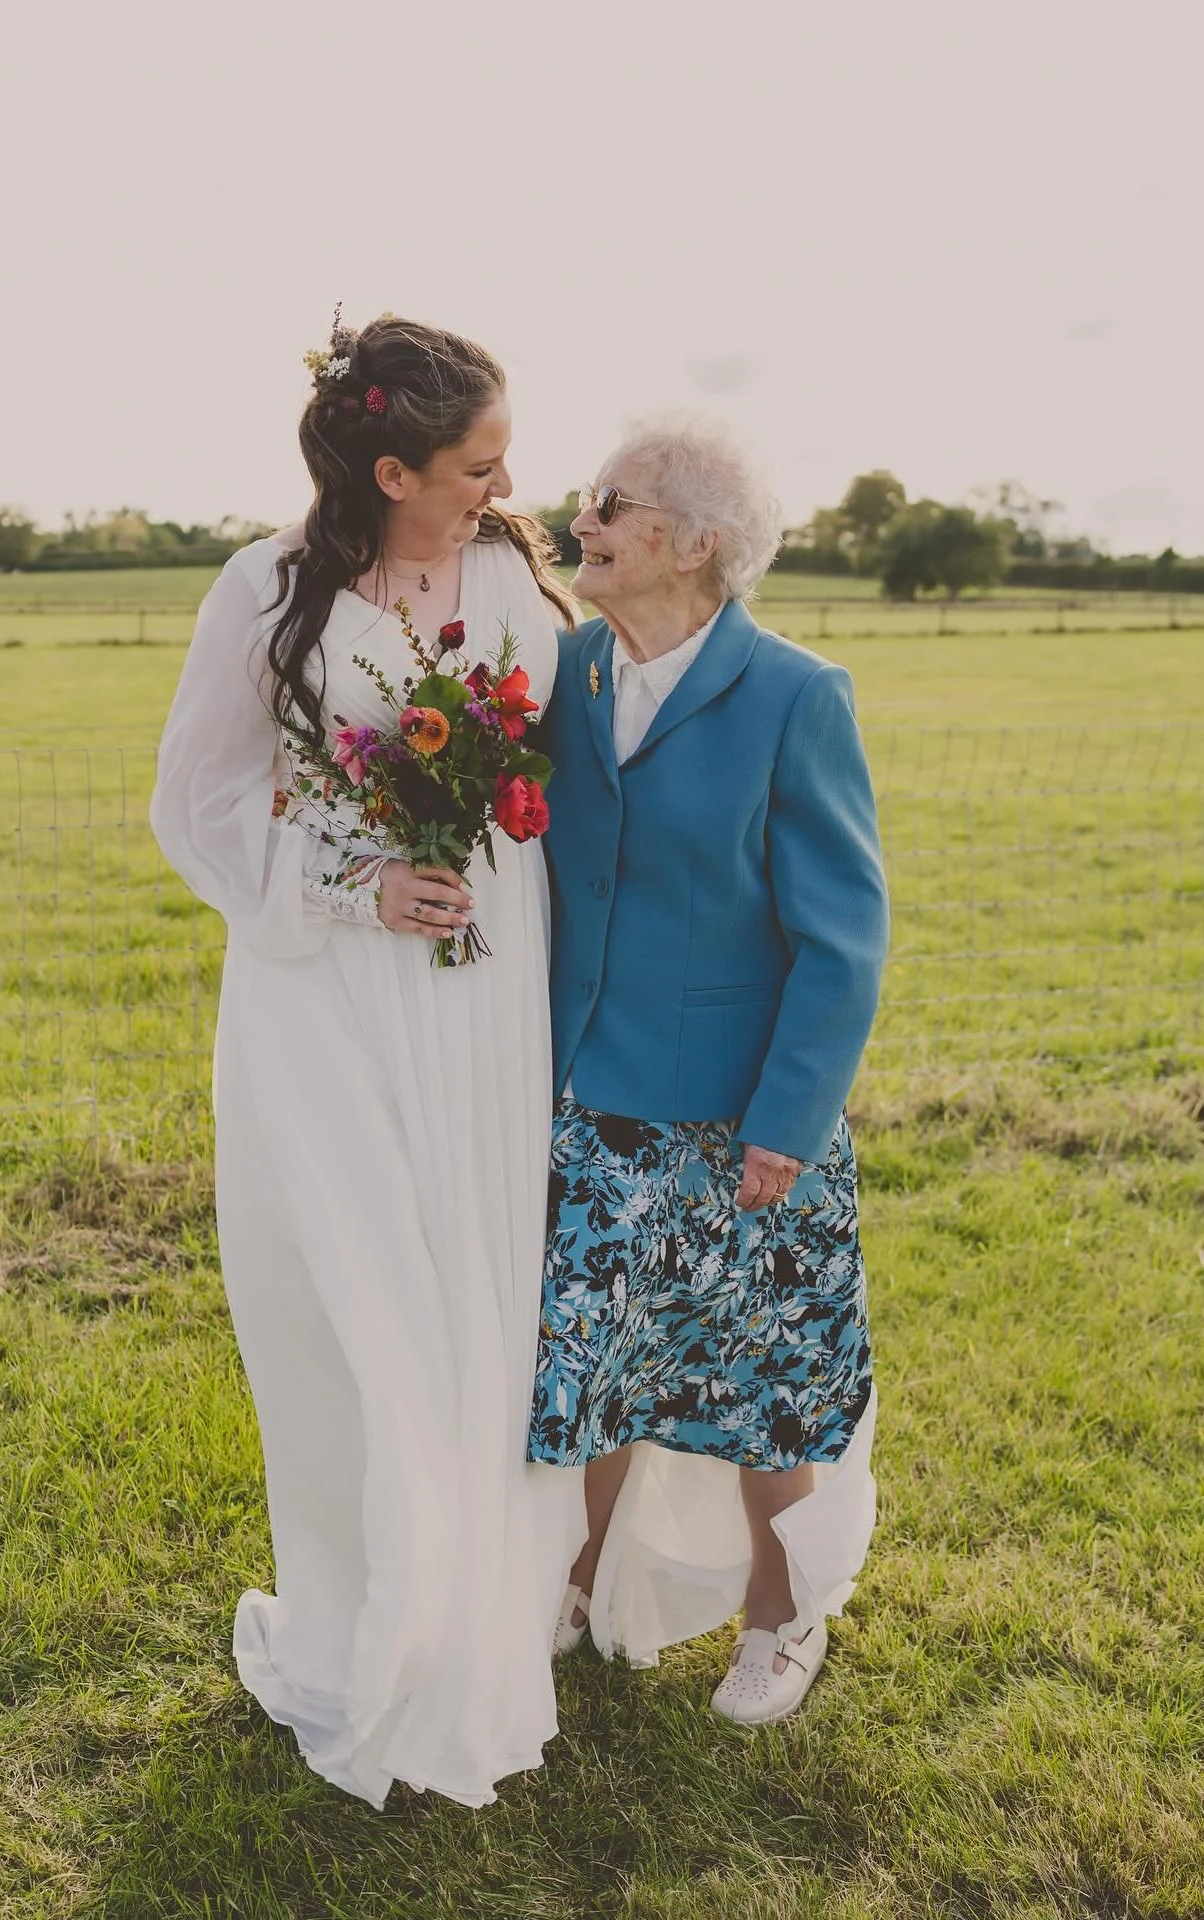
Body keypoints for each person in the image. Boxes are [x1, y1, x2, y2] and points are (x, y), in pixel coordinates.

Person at [150, 314, 583, 1807]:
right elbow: (196, 804)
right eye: (474, 462)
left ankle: (483, 1612)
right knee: (355, 1307)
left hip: (484, 982)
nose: (504, 479)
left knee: (478, 1279)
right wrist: (354, 885)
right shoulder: (268, 586)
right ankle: (362, 1624)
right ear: (390, 466)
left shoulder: (519, 578)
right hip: (325, 985)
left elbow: (569, 766)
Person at [528, 416, 889, 1724]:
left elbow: (842, 941)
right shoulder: (563, 669)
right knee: (590, 1378)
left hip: (748, 1128)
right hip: (594, 1109)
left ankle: (783, 1626)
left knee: (768, 1391)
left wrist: (786, 1124)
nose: (585, 523)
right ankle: (564, 1592)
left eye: (611, 505)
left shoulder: (799, 696)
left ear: (694, 545)